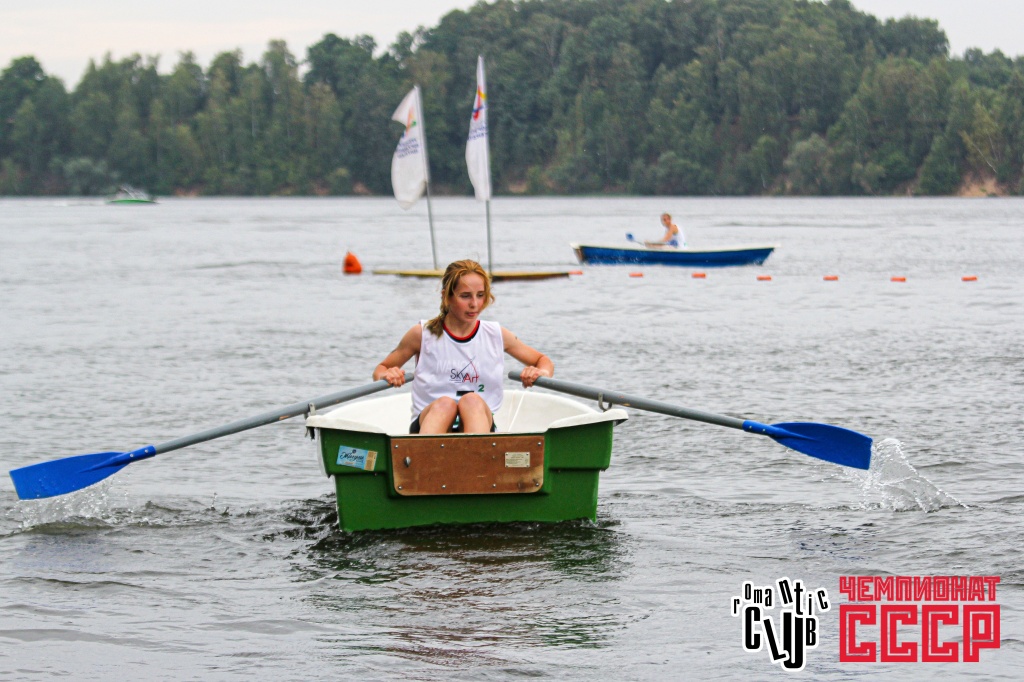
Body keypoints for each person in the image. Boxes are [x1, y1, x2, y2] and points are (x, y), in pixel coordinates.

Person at [373, 259, 554, 434]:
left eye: (480, 295)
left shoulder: (496, 334)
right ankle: (427, 453)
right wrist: (388, 374)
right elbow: (381, 369)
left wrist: (540, 372)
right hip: (429, 421)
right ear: (446, 297)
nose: (474, 304)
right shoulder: (421, 334)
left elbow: (542, 360)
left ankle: (474, 453)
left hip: (479, 419)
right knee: (445, 404)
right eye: (465, 296)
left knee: (472, 401)